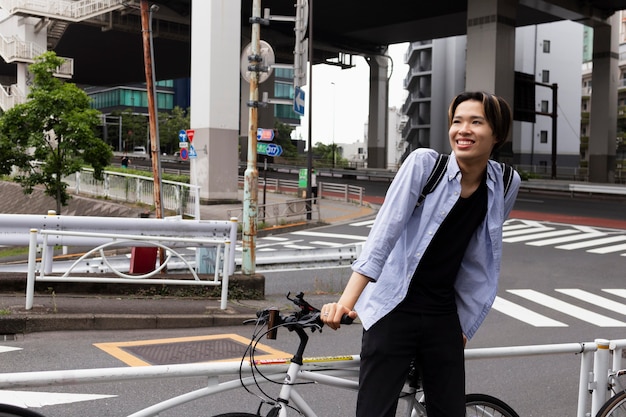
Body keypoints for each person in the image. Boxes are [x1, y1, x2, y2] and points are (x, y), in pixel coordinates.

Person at [320, 91, 521, 417]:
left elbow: (476, 255)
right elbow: (383, 237)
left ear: (497, 134)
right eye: (457, 121)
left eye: (475, 122)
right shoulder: (425, 165)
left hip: (444, 317)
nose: (463, 130)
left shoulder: (506, 182)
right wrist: (346, 302)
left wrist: (462, 329)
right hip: (392, 311)